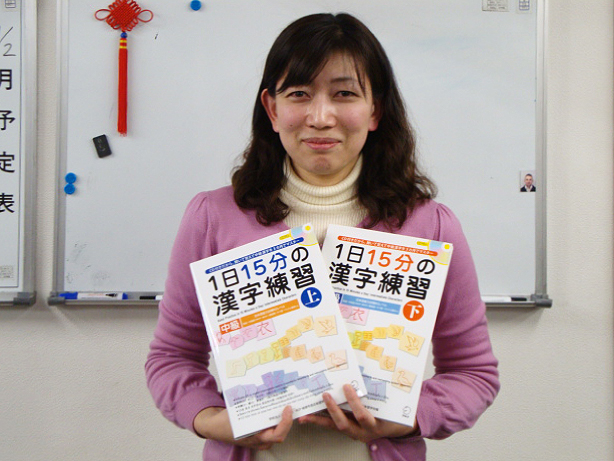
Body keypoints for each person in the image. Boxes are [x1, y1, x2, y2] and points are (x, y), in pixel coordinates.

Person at [146, 13, 499, 461]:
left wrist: (409, 418)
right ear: (272, 109)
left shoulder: (430, 226)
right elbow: (172, 357)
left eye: (344, 94)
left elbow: (473, 373)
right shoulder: (212, 218)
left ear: (375, 110)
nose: (320, 117)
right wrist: (210, 418)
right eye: (299, 94)